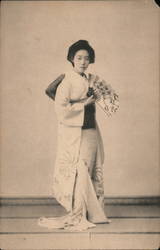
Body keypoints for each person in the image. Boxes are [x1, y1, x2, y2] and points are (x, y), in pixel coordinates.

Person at [38, 40, 112, 231]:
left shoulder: (90, 79)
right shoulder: (66, 80)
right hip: (74, 132)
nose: (83, 62)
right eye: (79, 58)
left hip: (91, 129)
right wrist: (83, 104)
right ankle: (78, 213)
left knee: (90, 168)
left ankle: (90, 213)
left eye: (87, 58)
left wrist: (97, 101)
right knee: (79, 170)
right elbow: (61, 109)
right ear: (71, 59)